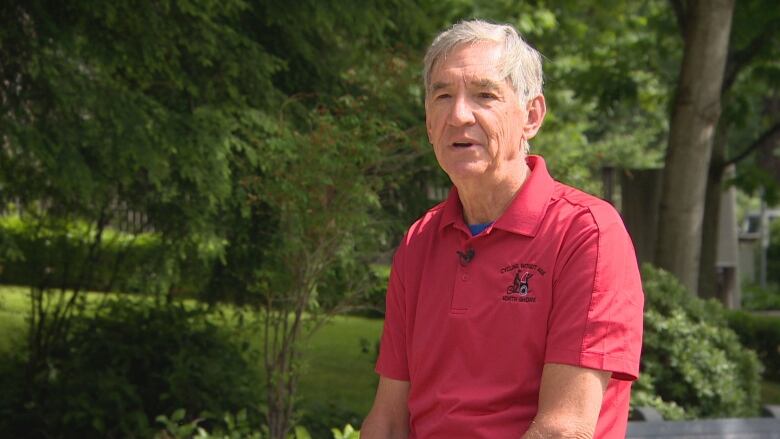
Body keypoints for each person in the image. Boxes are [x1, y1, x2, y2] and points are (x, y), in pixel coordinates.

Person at [361, 19, 644, 439]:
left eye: (484, 95)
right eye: (442, 96)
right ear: (427, 121)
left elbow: (563, 430)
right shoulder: (420, 241)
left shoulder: (586, 233)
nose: (458, 114)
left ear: (531, 116)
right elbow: (386, 422)